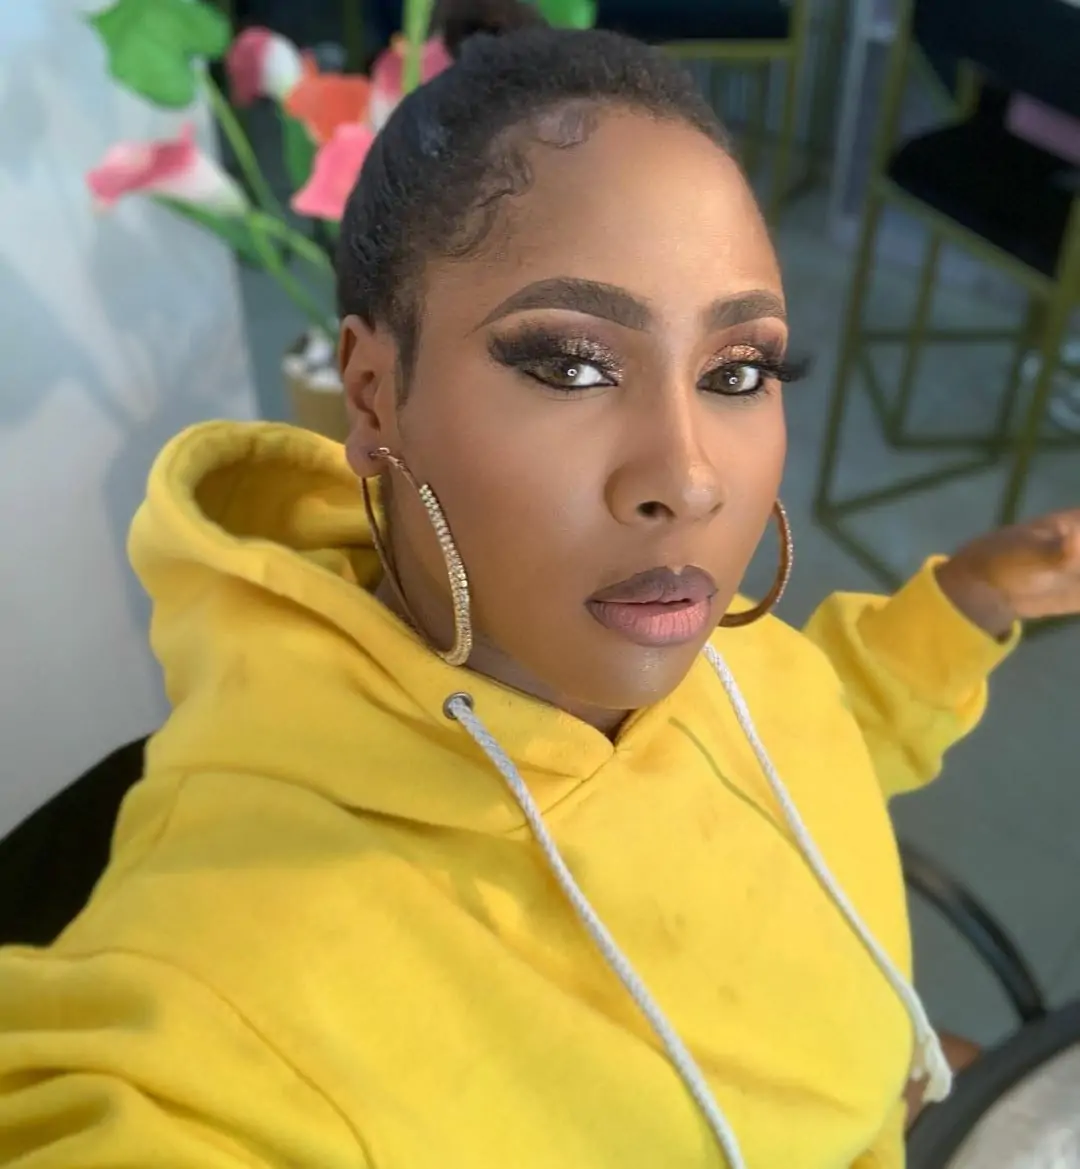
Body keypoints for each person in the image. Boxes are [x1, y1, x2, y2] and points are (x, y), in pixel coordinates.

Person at [3, 4, 1080, 1166]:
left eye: (737, 369)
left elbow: (788, 736)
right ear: (371, 393)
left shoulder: (677, 641)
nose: (689, 479)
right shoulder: (223, 994)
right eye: (570, 363)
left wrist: (969, 603)